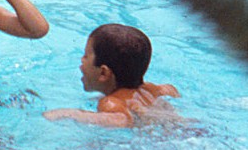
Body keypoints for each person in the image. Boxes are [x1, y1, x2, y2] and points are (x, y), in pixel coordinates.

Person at [43, 24, 180, 127]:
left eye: (86, 56)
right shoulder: (154, 90)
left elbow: (121, 120)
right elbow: (171, 90)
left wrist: (71, 114)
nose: (81, 60)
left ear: (103, 73)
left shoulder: (111, 103)